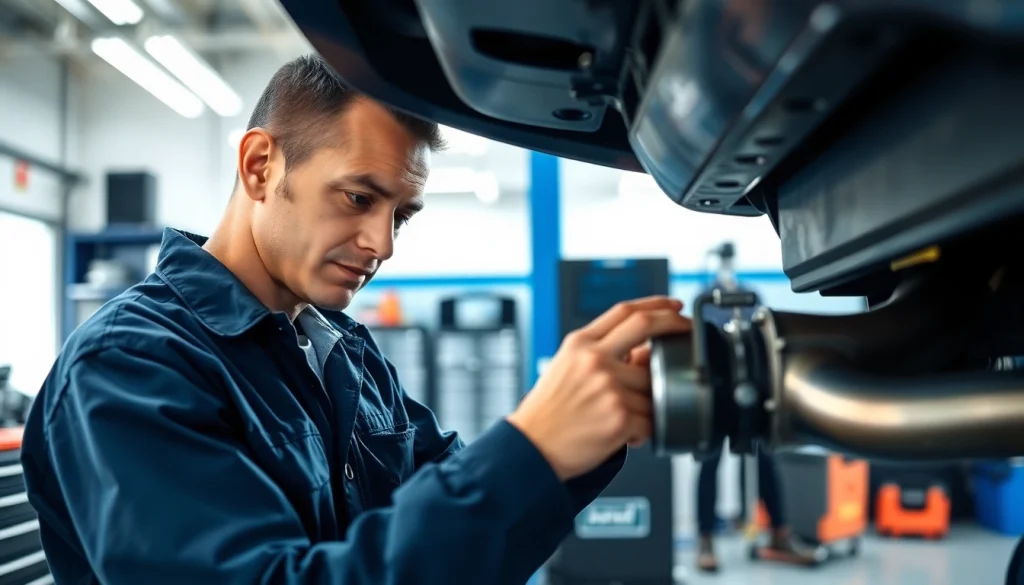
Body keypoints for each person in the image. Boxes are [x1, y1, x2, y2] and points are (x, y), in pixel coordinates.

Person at [20, 55, 691, 585]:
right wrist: (533, 446)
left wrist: (596, 423)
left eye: (400, 214)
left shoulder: (346, 352)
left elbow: (454, 532)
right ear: (260, 166)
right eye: (358, 196)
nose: (383, 243)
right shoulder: (128, 366)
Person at [694, 242, 814, 573]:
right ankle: (705, 540)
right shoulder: (703, 300)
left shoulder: (752, 296)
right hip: (716, 397)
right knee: (708, 463)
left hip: (751, 393)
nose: (727, 266)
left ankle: (779, 534)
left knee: (766, 461)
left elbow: (763, 342)